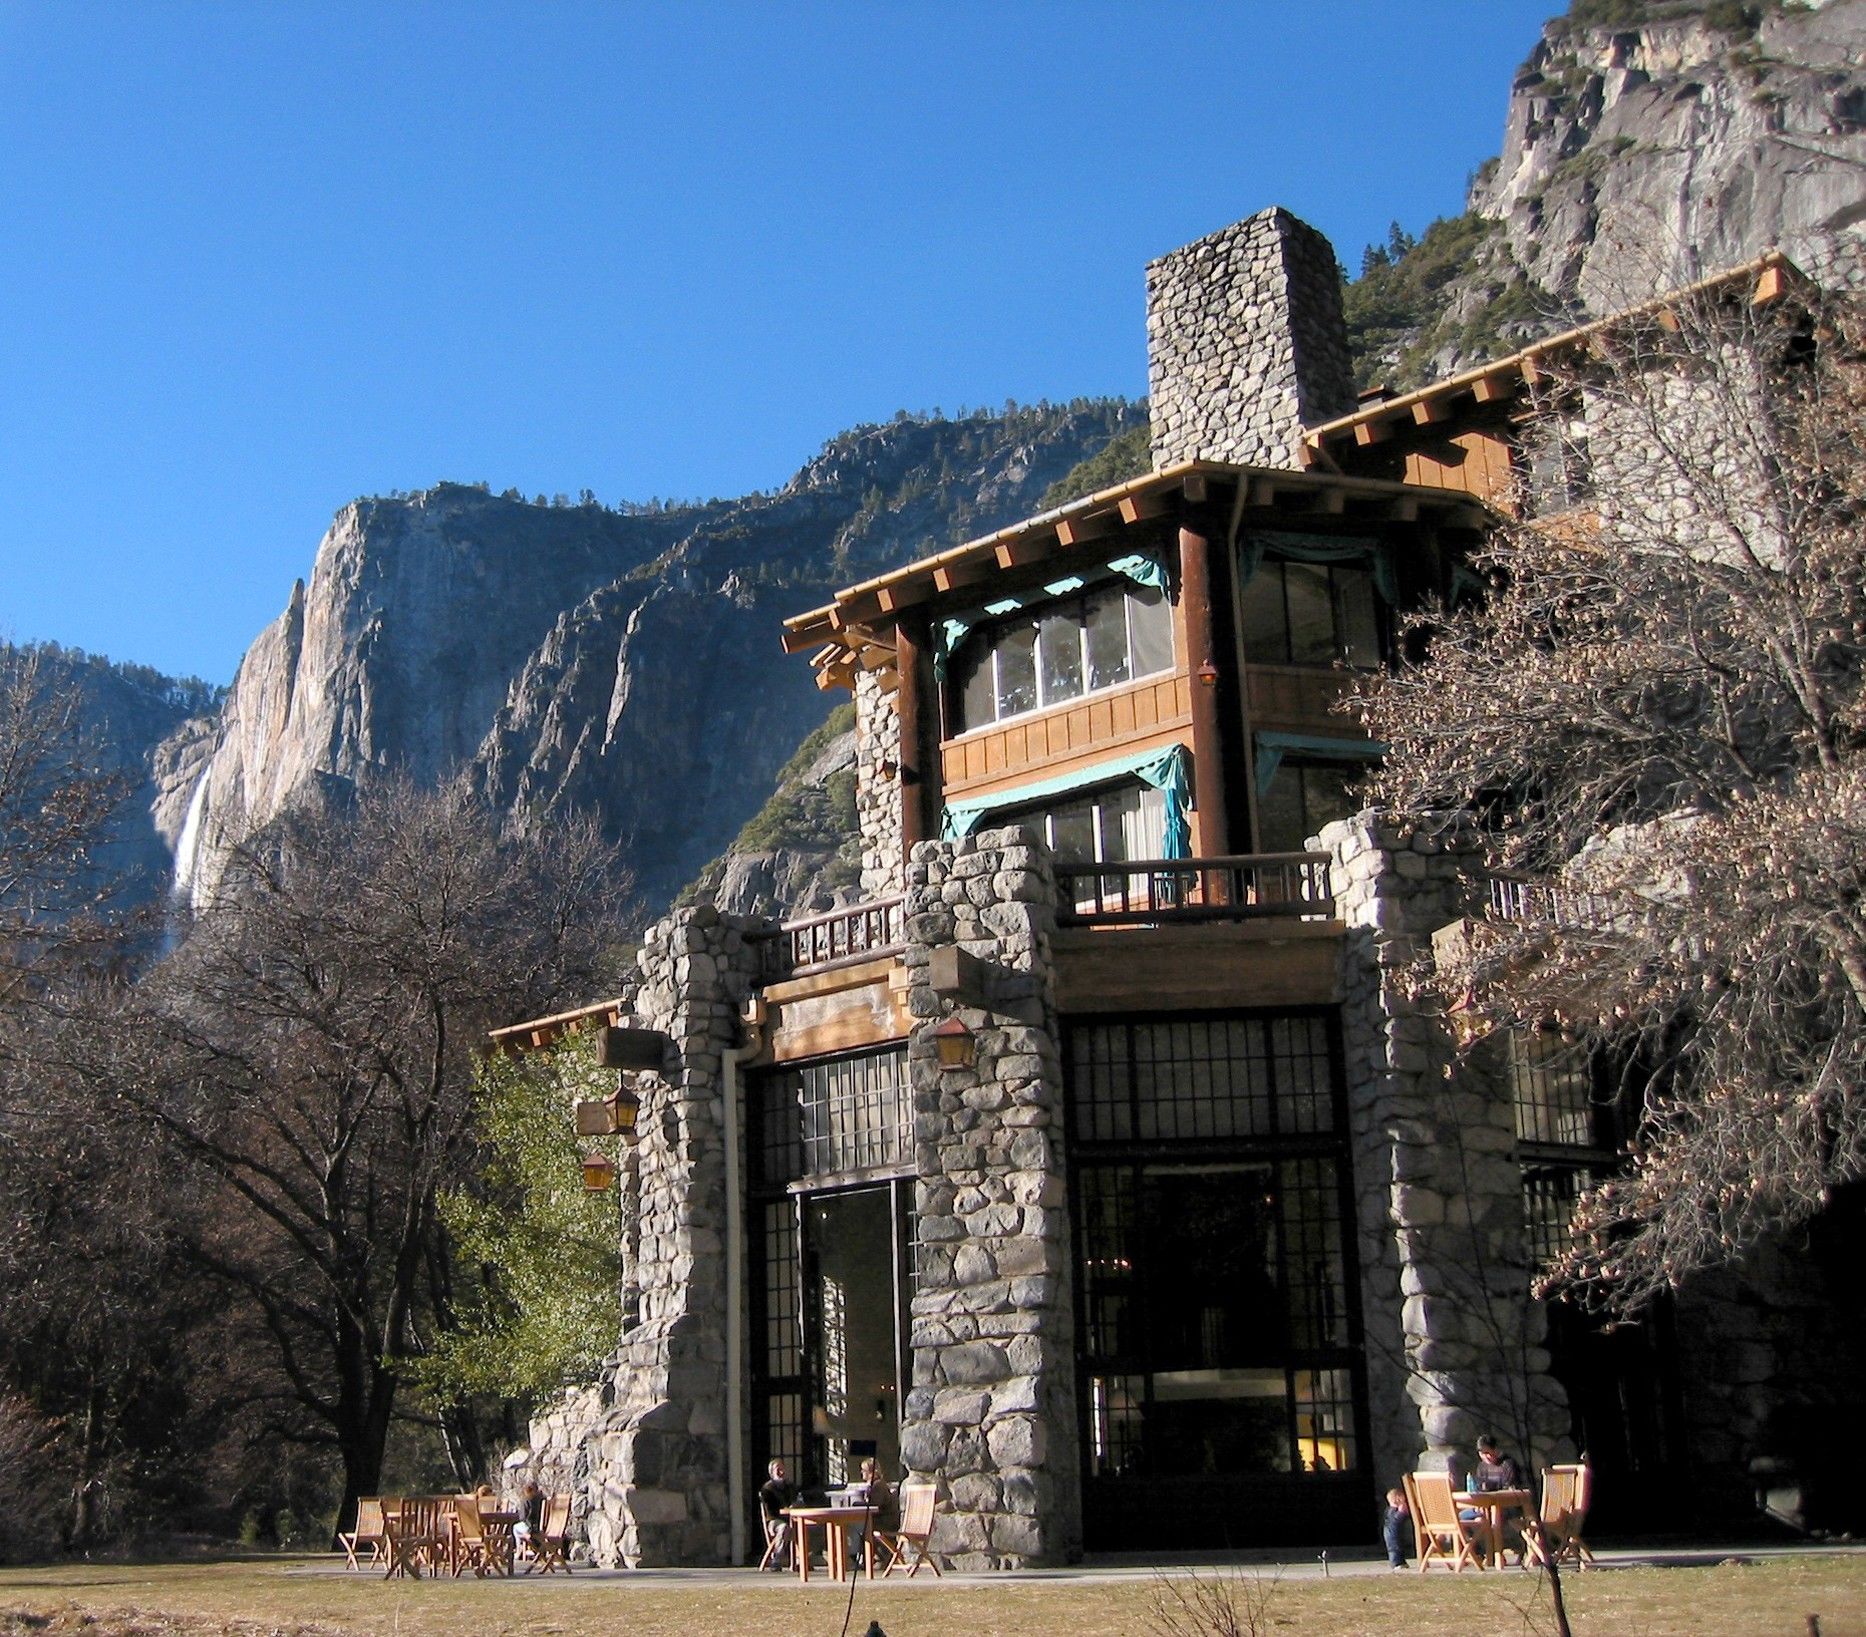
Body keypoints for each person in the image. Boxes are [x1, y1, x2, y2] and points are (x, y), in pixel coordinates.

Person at [758, 1457, 797, 1570]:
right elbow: (770, 1511)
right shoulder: (767, 1489)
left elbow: (798, 1499)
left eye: (782, 1469)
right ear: (771, 1473)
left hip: (794, 1519)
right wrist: (785, 1510)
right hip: (775, 1521)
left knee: (810, 1528)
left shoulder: (790, 1486)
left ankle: (803, 1559)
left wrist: (796, 1505)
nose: (781, 1472)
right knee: (784, 1528)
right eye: (777, 1469)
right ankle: (777, 1558)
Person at [1382, 1484, 1412, 1570]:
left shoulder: (1388, 1510)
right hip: (1393, 1532)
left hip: (1389, 1531)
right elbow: (1398, 1518)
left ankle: (1401, 1562)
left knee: (1397, 1547)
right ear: (1398, 1498)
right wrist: (1403, 1511)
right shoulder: (1396, 1510)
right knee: (1395, 1548)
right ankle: (1396, 1563)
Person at [513, 1480, 545, 1556]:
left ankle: (520, 1548)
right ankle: (529, 1546)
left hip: (532, 1527)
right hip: (541, 1526)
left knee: (515, 1527)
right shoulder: (542, 1499)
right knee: (520, 1528)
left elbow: (523, 1517)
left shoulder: (527, 1500)